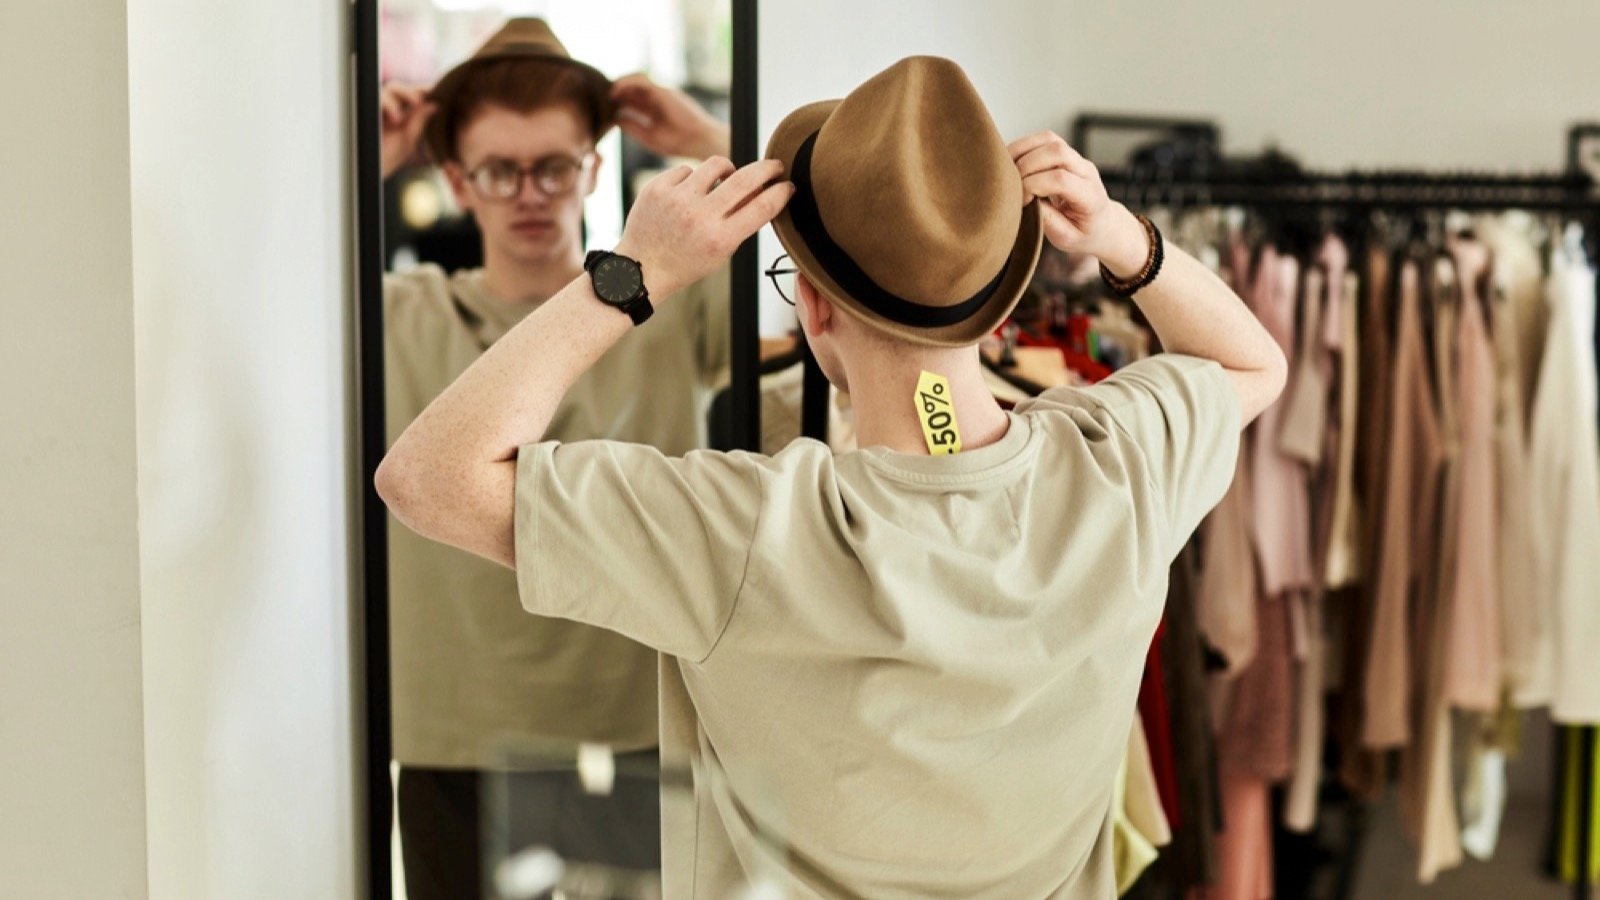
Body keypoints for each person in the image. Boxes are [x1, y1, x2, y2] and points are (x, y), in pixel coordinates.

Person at [378, 55, 1287, 899]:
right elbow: (1254, 366)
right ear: (1004, 295)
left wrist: (632, 273)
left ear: (811, 306)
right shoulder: (1121, 464)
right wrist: (1131, 242)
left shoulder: (745, 532)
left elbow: (427, 477)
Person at [376, 17, 732, 899]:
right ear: (456, 180)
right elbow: (262, 288)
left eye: (556, 166)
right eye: (500, 169)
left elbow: (812, 263)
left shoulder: (673, 304)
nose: (529, 193)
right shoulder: (400, 314)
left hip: (646, 720)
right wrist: (366, 165)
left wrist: (708, 143)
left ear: (595, 170)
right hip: (454, 732)